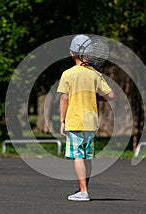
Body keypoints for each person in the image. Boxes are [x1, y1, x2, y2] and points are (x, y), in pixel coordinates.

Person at [57, 34, 114, 201]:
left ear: (71, 53)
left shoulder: (68, 74)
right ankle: (84, 188)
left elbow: (64, 98)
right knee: (87, 157)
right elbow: (111, 95)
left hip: (75, 120)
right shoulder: (95, 75)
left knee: (78, 156)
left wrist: (62, 121)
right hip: (91, 122)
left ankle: (83, 192)